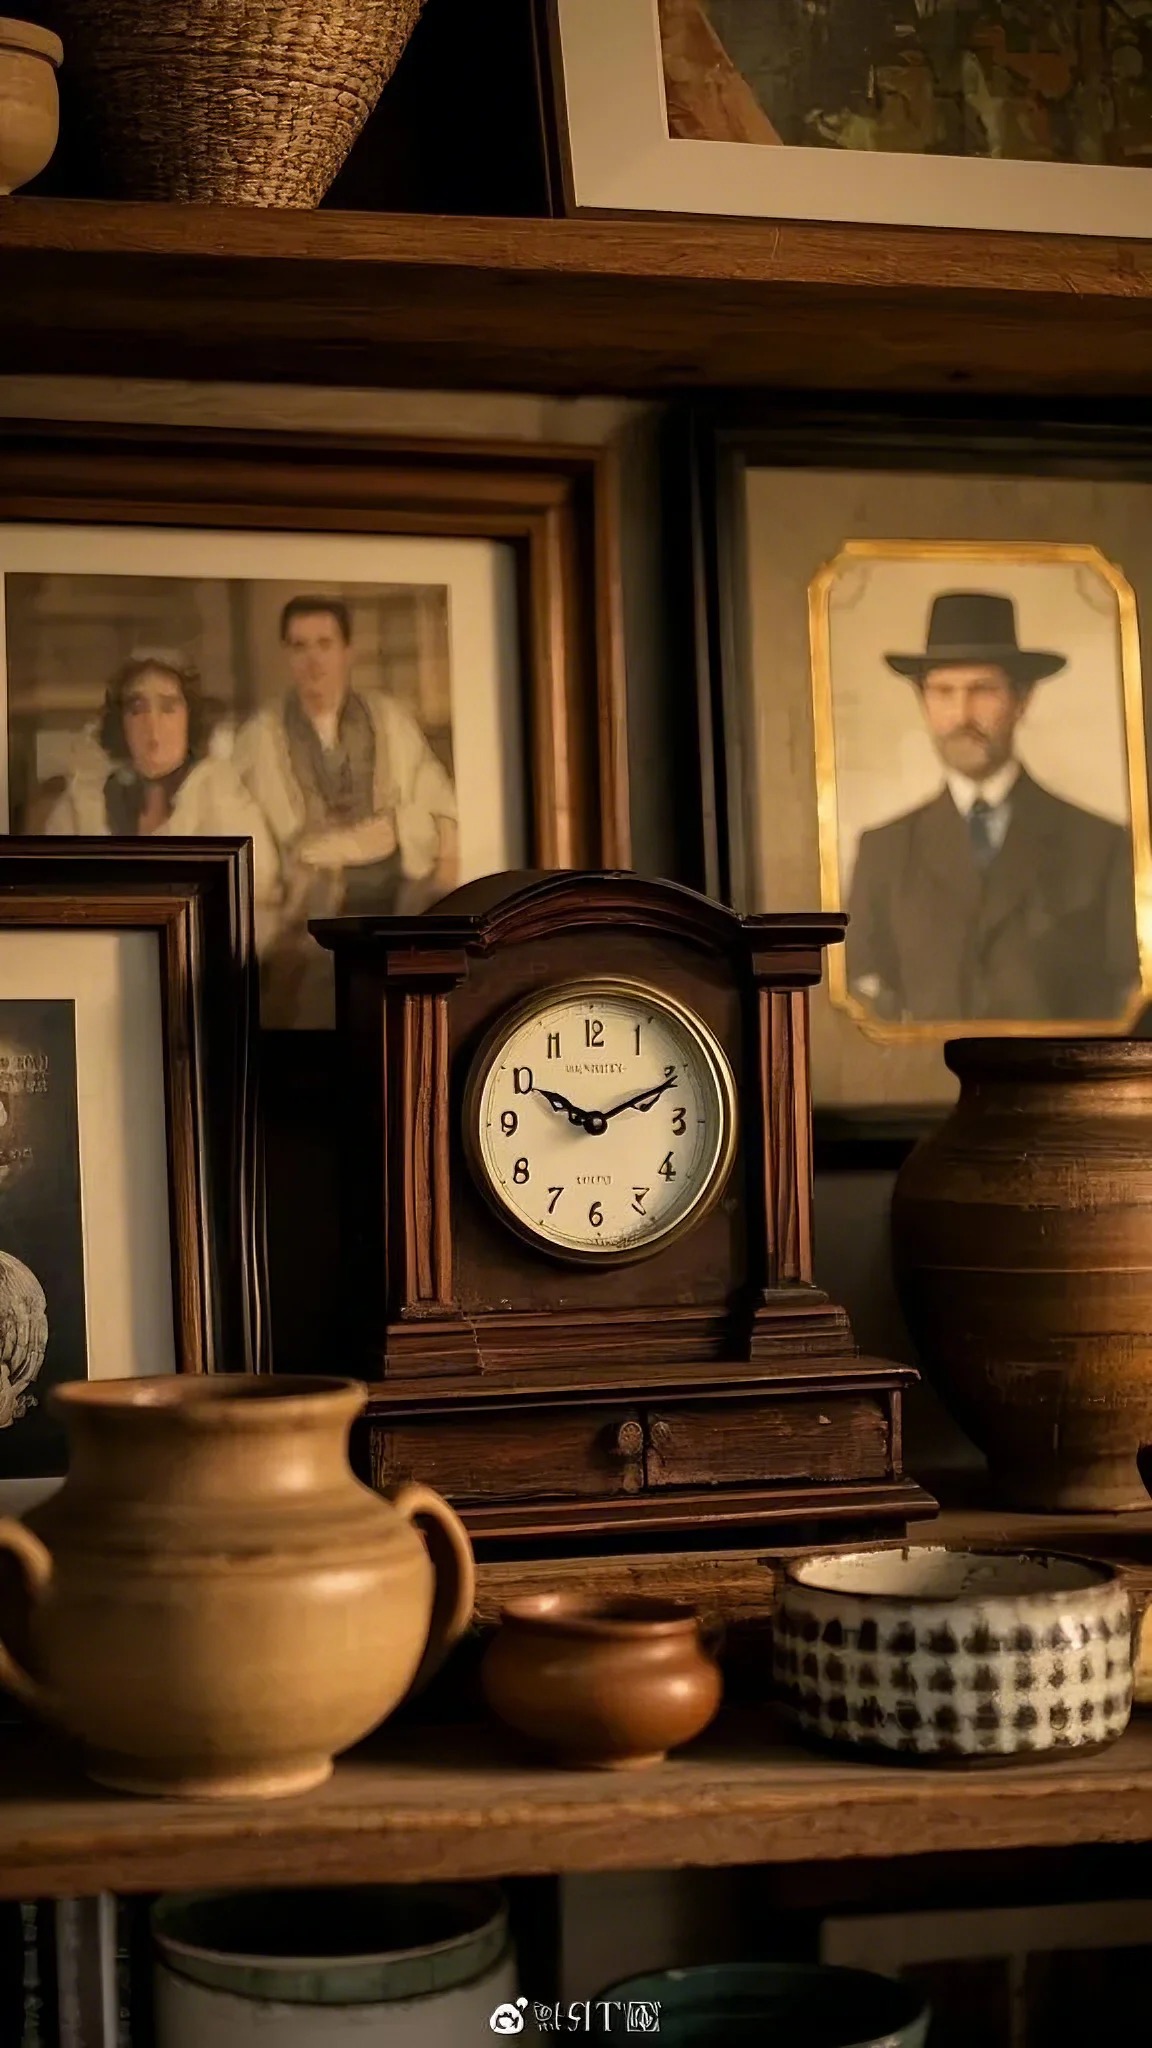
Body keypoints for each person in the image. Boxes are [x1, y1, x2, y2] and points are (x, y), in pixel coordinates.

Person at [846, 590, 1141, 1023]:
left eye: (982, 690)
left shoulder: (1100, 845)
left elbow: (1126, 998)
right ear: (924, 703)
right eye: (943, 692)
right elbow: (864, 998)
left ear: (1022, 700)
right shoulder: (884, 850)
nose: (961, 714)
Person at [231, 595, 459, 1025]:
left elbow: (436, 799)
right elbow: (243, 824)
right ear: (286, 655)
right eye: (299, 647)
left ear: (346, 651)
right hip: (307, 904)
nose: (313, 660)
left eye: (324, 644)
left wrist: (427, 852)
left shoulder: (389, 719)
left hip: (395, 891)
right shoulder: (260, 736)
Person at [43, 653, 283, 948]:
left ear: (190, 717)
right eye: (137, 709)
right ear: (121, 721)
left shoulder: (222, 795)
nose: (152, 725)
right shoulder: (84, 803)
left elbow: (258, 900)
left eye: (168, 708)